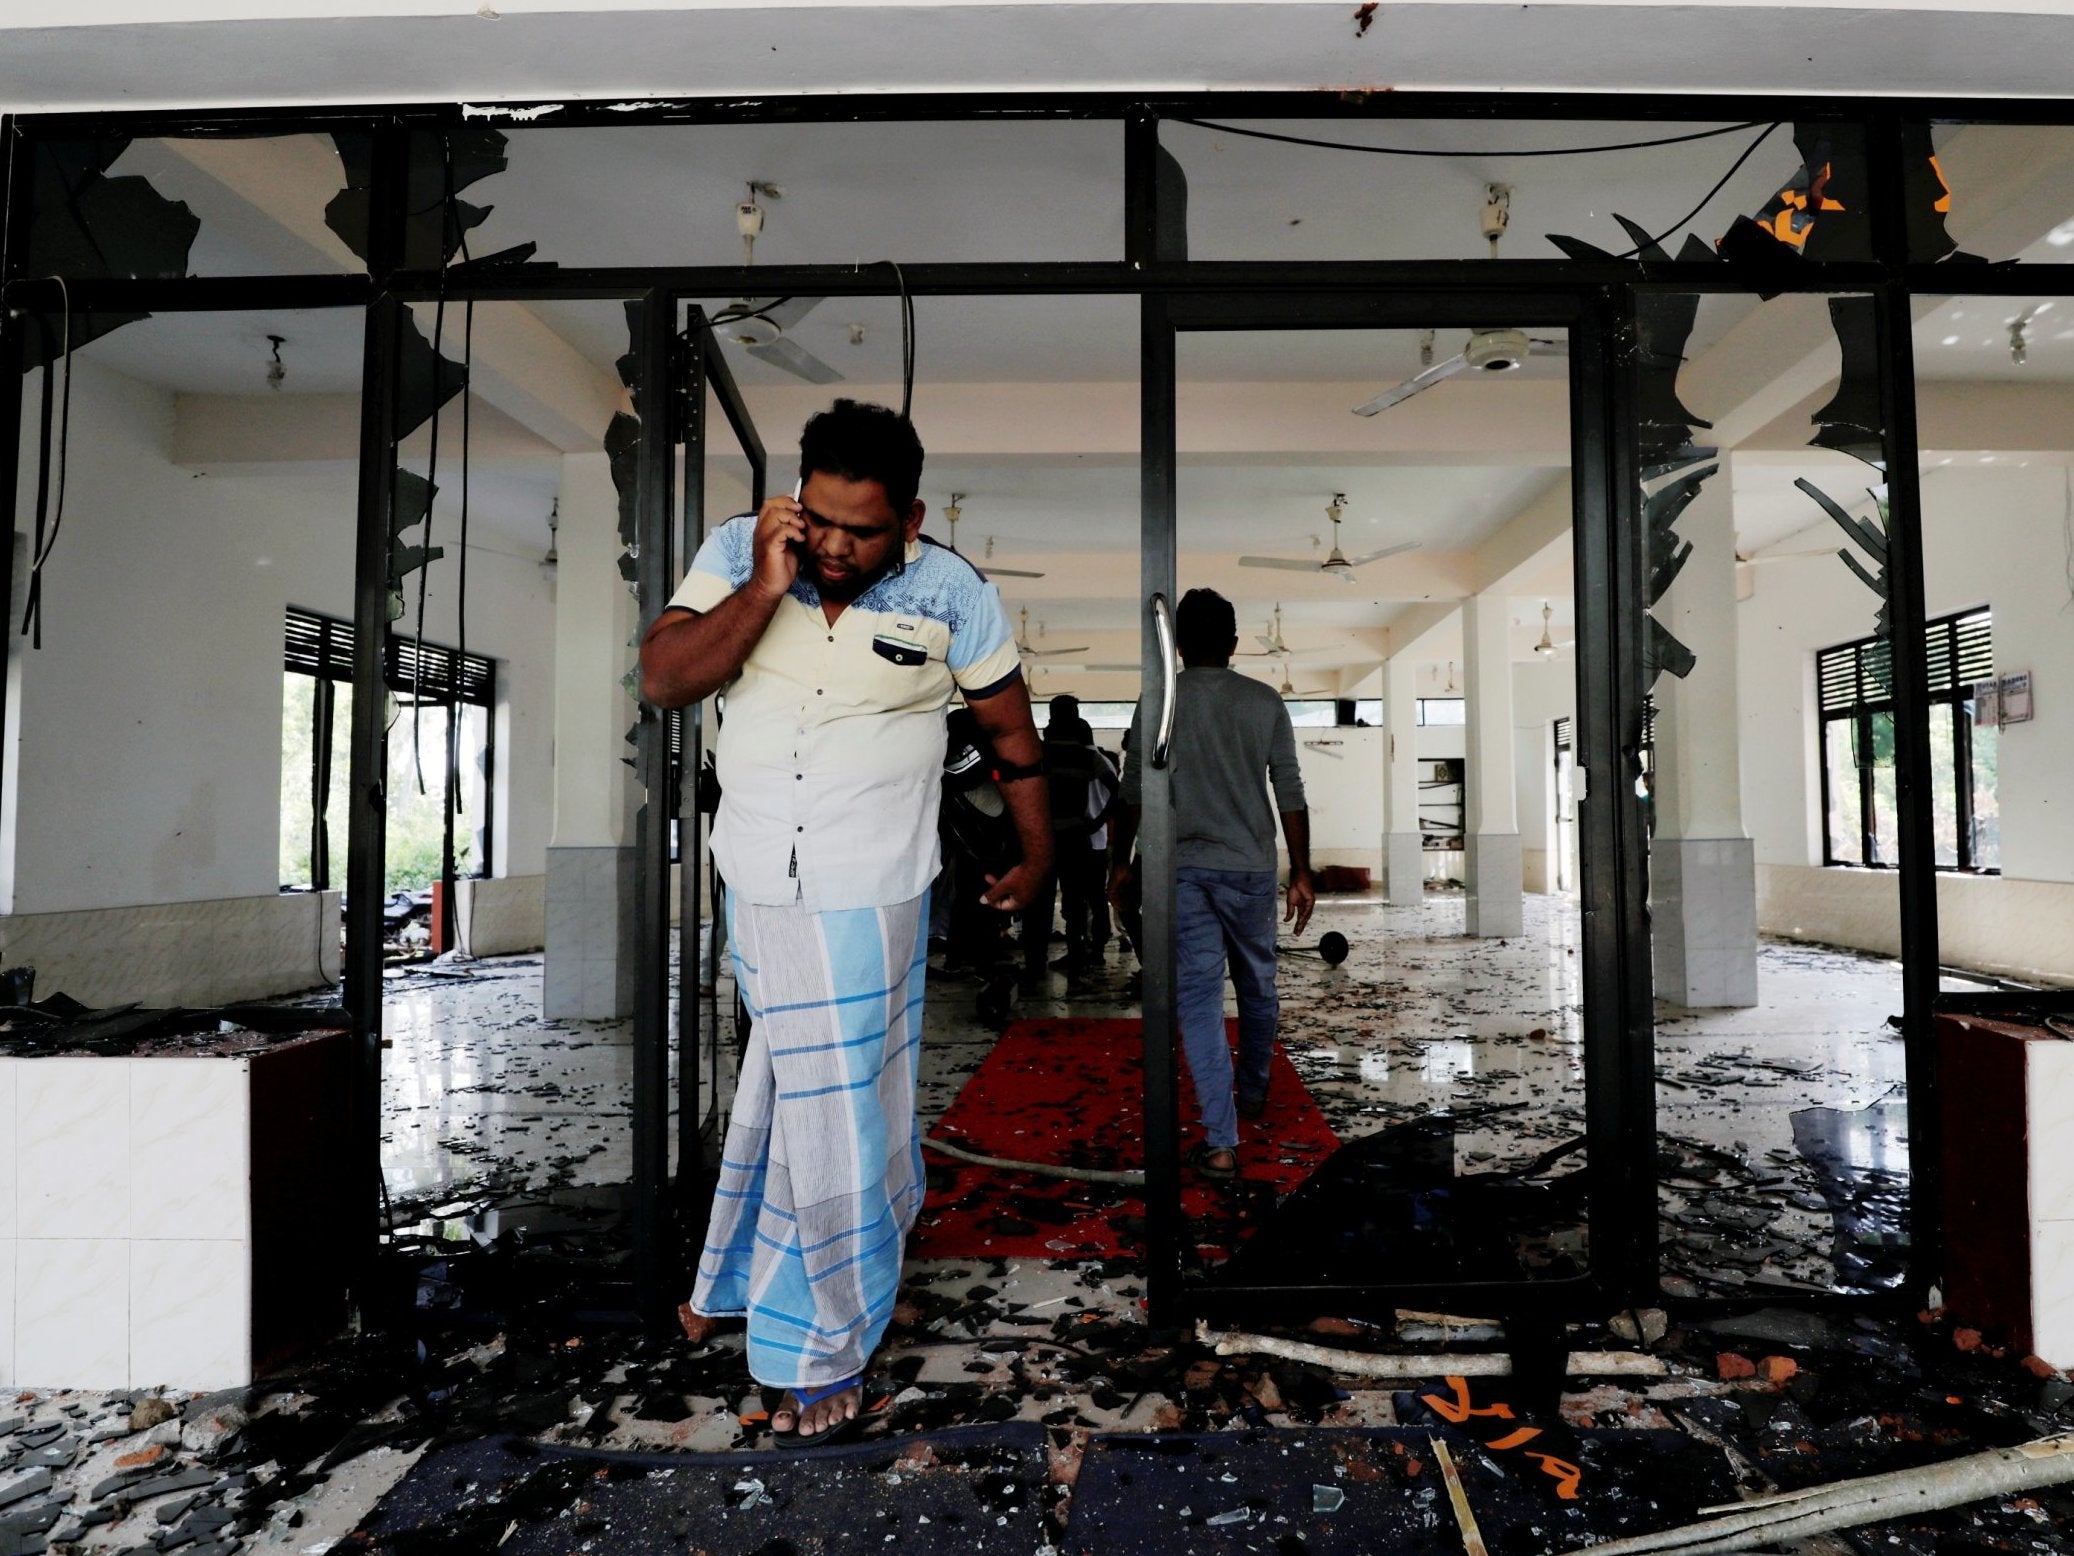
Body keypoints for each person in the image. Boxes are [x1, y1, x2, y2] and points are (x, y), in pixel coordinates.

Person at [639, 399, 1052, 1446]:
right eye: (816, 519)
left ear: (908, 517)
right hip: (759, 885)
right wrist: (767, 585)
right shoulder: (742, 552)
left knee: (833, 1116)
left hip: (870, 890)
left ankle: (821, 1341)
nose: (831, 544)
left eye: (858, 530)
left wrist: (1039, 848)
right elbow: (665, 676)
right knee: (799, 1095)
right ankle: (739, 1271)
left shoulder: (952, 589)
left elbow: (1007, 731)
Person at [1109, 588, 1314, 1181]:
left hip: (1183, 870)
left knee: (1198, 1000)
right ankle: (1253, 1091)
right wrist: (1300, 871)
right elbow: (1290, 792)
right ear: (1231, 643)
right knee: (1257, 983)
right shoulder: (1264, 701)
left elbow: (1130, 792)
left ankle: (1221, 1143)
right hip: (1250, 868)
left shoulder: (1158, 702)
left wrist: (1120, 865)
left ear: (1176, 645)